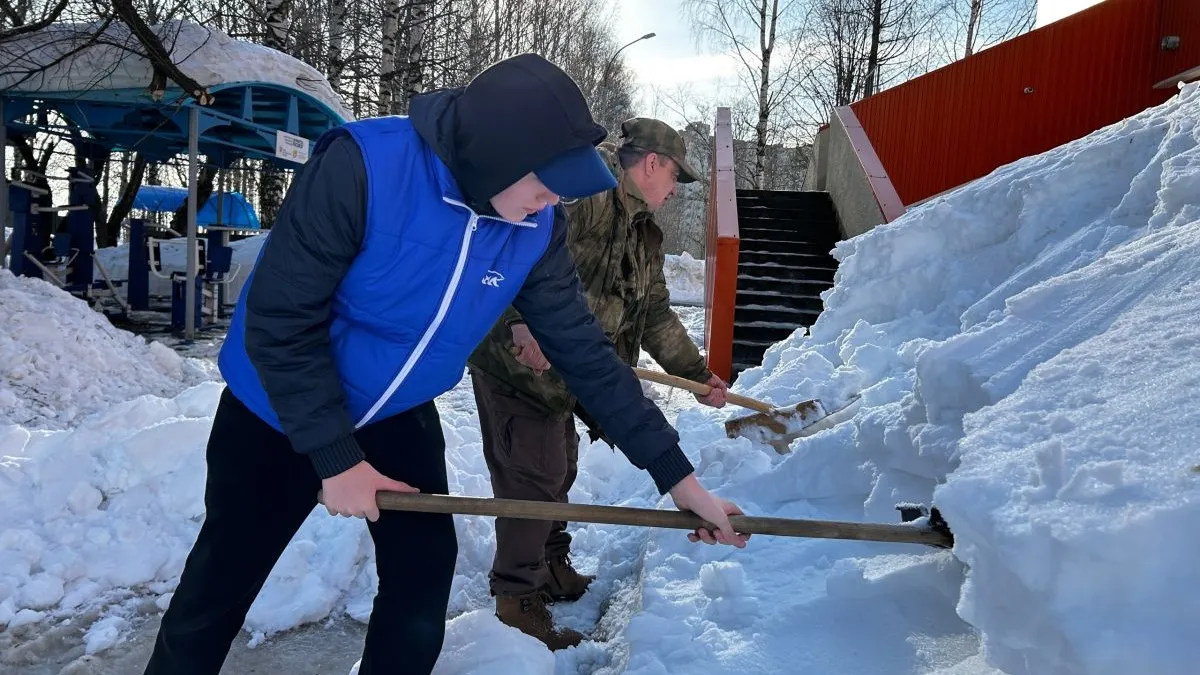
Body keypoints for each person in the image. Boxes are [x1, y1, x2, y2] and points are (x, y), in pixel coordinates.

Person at [141, 54, 747, 675]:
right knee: (219, 587)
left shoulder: (533, 227)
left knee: (420, 582)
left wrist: (680, 480)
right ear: (499, 154)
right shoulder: (363, 167)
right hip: (278, 406)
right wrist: (335, 457)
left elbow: (586, 354)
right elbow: (279, 321)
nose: (552, 201)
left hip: (397, 411)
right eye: (546, 182)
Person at [466, 117, 731, 649]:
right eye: (675, 175)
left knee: (559, 467)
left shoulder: (642, 231)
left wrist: (696, 375)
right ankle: (516, 598)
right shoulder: (585, 199)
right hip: (514, 365)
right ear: (651, 164)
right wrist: (522, 322)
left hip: (569, 373)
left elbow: (654, 312)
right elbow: (512, 244)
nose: (675, 189)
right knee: (533, 477)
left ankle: (549, 563)